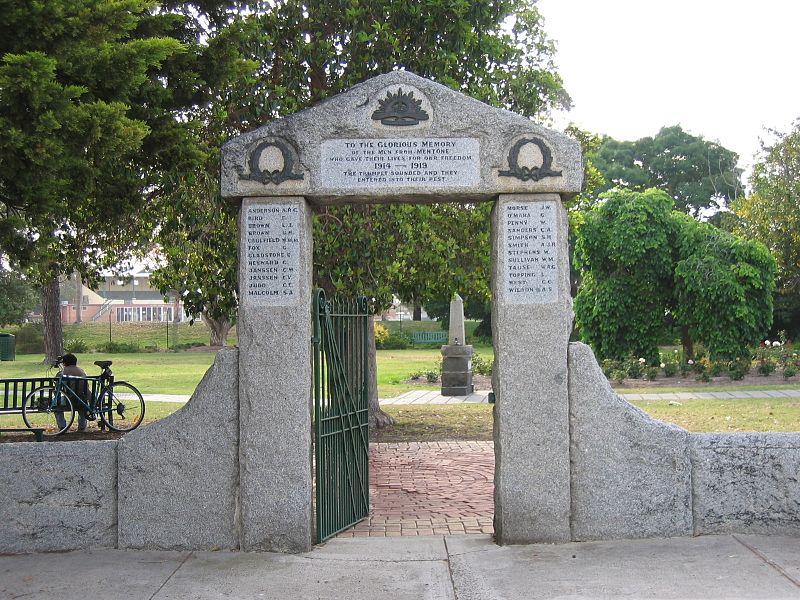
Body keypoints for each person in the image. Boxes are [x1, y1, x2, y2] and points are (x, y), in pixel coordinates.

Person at [56, 353, 90, 432]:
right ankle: (82, 427)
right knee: (81, 407)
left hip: (69, 401)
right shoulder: (82, 371)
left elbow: (57, 387)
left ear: (65, 363)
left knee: (56, 404)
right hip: (83, 400)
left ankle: (62, 426)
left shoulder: (63, 372)